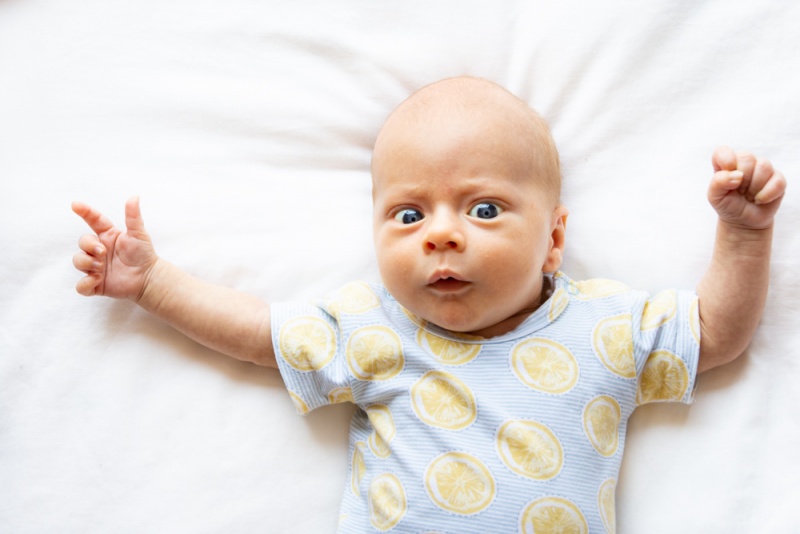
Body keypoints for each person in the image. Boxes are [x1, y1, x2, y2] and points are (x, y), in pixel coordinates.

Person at [72, 76, 786, 533]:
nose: (441, 233)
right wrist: (154, 284)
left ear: (554, 240)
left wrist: (744, 235)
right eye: (408, 216)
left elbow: (716, 334)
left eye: (482, 208)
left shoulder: (606, 327)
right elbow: (260, 333)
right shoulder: (372, 326)